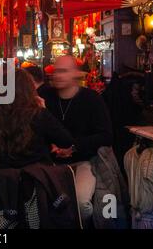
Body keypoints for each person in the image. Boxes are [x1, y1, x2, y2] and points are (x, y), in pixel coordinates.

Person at [0, 69, 76, 210]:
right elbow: (66, 140)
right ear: (30, 90)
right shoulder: (38, 114)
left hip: (5, 192)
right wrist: (44, 109)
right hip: (37, 188)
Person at [39, 55, 113, 224]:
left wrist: (73, 147)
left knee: (80, 203)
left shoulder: (91, 98)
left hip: (84, 161)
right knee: (42, 203)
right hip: (51, 163)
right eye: (55, 71)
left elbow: (107, 135)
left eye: (63, 71)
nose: (57, 75)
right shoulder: (45, 96)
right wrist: (50, 145)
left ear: (76, 74)